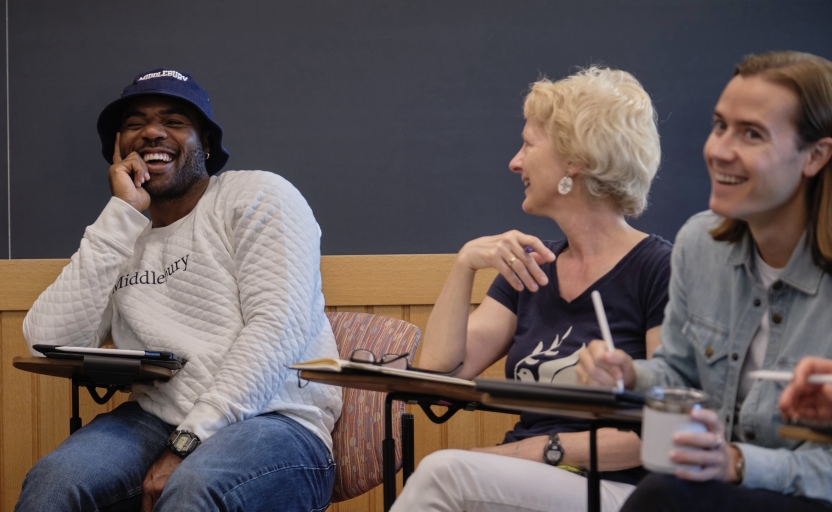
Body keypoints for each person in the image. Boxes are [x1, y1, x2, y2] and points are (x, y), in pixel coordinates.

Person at [16, 69, 342, 512]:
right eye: (135, 123)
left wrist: (188, 442)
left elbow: (276, 329)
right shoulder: (123, 236)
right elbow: (45, 343)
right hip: (154, 420)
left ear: (205, 142)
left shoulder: (258, 195)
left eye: (173, 121)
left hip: (275, 419)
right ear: (118, 150)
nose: (151, 131)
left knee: (193, 488)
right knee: (55, 483)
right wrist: (121, 216)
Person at [390, 66, 671, 512]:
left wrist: (533, 451)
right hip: (532, 480)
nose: (515, 162)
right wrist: (464, 264)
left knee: (445, 473)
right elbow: (440, 374)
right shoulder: (533, 267)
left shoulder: (660, 270)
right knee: (446, 474)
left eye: (528, 144)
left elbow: (664, 431)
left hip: (623, 488)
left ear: (575, 160)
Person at [578, 51, 832, 511]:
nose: (719, 149)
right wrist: (629, 374)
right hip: (718, 491)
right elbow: (679, 374)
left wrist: (738, 462)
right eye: (720, 126)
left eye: (751, 133)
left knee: (661, 495)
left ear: (815, 156)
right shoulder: (700, 243)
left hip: (807, 493)